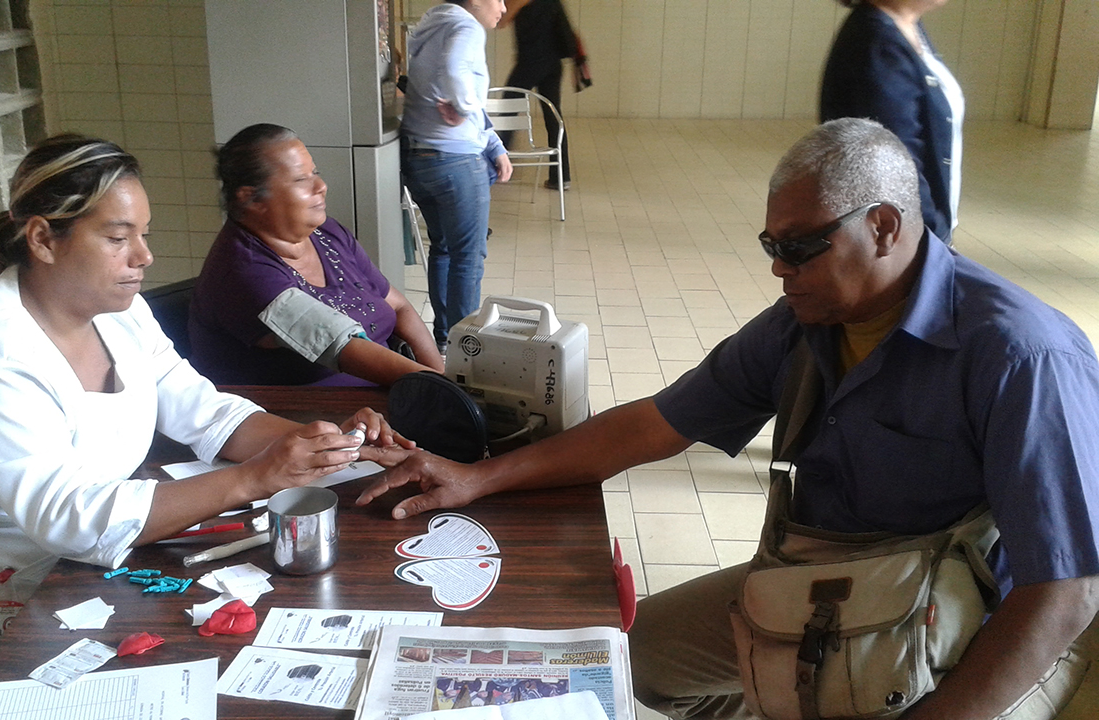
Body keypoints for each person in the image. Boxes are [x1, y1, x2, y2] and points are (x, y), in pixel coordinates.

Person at [358, 118, 1099, 719]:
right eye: (771, 247)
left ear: (882, 226)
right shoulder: (804, 324)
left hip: (965, 625)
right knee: (625, 659)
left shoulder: (1020, 356)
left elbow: (1063, 593)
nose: (780, 269)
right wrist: (477, 478)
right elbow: (653, 424)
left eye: (801, 248)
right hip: (825, 587)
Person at [0, 135, 410, 719]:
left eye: (143, 235)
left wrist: (328, 444)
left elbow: (204, 409)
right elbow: (71, 518)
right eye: (118, 239)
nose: (143, 257)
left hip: (82, 580)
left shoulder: (119, 312)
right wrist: (254, 478)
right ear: (43, 238)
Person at [189, 123, 444, 386]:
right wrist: (444, 393)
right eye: (301, 179)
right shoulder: (244, 271)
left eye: (316, 173)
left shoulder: (329, 234)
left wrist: (445, 383)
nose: (321, 186)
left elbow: (399, 307)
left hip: (387, 397)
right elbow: (341, 345)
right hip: (308, 415)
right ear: (252, 200)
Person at [401, 0, 513, 354]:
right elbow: (454, 72)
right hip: (456, 160)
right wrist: (463, 106)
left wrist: (493, 144)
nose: (504, 6)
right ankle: (466, 349)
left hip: (421, 158)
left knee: (444, 248)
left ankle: (445, 338)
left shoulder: (432, 24)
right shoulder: (466, 27)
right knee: (468, 254)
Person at [821, 0, 962, 245]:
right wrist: (930, 234)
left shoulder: (904, 26)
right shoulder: (878, 42)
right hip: (897, 235)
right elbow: (896, 160)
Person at [497, 0, 575, 190]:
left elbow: (501, 21)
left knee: (507, 108)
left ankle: (498, 165)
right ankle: (560, 177)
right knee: (553, 117)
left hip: (530, 62)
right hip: (553, 64)